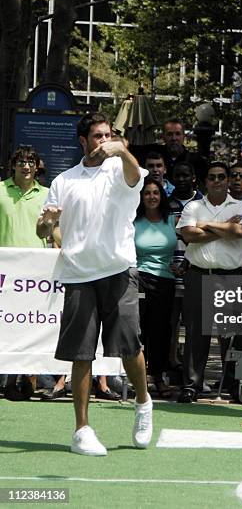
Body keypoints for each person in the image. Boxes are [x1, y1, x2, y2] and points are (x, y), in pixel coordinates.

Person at [36, 112, 152, 457]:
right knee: (81, 353)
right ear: (83, 141)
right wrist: (48, 224)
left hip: (118, 270)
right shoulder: (64, 181)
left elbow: (136, 176)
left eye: (108, 135)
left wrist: (122, 151)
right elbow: (45, 231)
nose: (103, 140)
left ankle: (144, 403)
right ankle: (82, 430)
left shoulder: (120, 170)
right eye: (98, 136)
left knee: (129, 346)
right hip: (78, 274)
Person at [176, 161, 242, 403]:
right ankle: (192, 385)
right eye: (212, 177)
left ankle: (234, 385)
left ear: (228, 180)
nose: (217, 180)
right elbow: (188, 235)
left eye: (222, 176)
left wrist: (206, 225)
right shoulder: (194, 205)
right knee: (196, 334)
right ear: (205, 181)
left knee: (231, 333)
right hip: (199, 274)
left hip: (232, 278)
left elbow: (240, 233)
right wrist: (226, 227)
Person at [0, 146, 49, 401]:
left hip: (37, 275)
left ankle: (30, 380)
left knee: (32, 327)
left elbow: (56, 230)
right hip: (5, 274)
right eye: (21, 162)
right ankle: (8, 380)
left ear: (37, 165)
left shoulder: (48, 195)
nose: (26, 166)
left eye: (31, 161)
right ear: (13, 165)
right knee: (9, 328)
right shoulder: (0, 191)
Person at [135, 176, 177, 398]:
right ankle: (139, 379)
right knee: (140, 330)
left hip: (166, 281)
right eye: (147, 193)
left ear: (161, 196)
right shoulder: (133, 220)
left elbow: (192, 243)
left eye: (155, 193)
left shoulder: (171, 220)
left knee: (161, 332)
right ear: (141, 197)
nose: (151, 197)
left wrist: (185, 264)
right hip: (139, 278)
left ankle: (158, 377)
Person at [167, 162, 203, 372]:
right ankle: (171, 364)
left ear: (193, 178)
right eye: (177, 176)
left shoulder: (202, 204)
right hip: (170, 272)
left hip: (194, 271)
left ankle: (191, 371)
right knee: (170, 325)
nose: (181, 179)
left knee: (193, 326)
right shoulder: (166, 204)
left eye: (185, 175)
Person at [154, 118, 208, 184]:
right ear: (163, 137)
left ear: (184, 136)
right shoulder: (155, 160)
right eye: (170, 134)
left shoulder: (195, 161)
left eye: (178, 134)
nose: (174, 138)